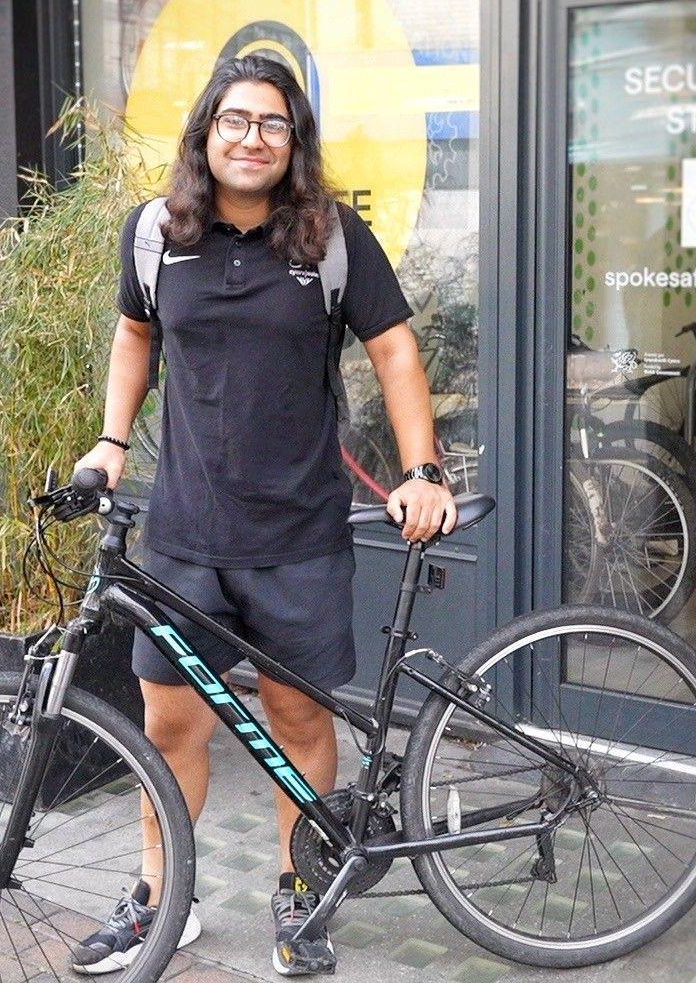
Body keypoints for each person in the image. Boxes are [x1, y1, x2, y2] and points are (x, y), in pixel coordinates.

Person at [69, 54, 456, 976]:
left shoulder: (331, 239)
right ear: (206, 132)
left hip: (297, 538)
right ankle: (164, 898)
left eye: (274, 124)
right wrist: (111, 442)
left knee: (300, 724)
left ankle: (298, 892)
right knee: (170, 729)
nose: (253, 138)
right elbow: (135, 334)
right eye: (236, 120)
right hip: (185, 537)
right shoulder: (156, 234)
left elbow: (396, 353)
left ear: (295, 143)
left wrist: (424, 469)